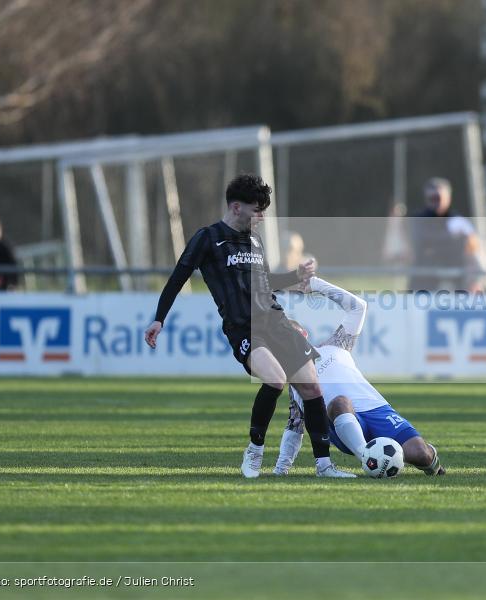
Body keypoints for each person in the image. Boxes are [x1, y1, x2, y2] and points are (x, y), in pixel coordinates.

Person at [143, 173, 354, 479]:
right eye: (257, 210)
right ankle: (255, 451)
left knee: (311, 386)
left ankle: (324, 466)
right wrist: (159, 318)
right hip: (244, 329)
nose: (262, 216)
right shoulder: (207, 237)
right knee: (275, 380)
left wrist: (296, 276)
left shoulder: (254, 241)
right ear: (237, 206)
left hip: (276, 321)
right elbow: (178, 278)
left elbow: (265, 285)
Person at [273, 276, 445, 476]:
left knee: (420, 454)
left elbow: (358, 307)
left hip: (377, 410)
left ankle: (432, 461)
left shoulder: (336, 345)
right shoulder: (296, 385)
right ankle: (368, 457)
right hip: (343, 425)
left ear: (303, 334)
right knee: (340, 402)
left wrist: (316, 285)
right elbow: (294, 428)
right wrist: (281, 469)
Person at [407, 177, 486, 293]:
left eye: (439, 198)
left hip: (457, 281)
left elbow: (475, 252)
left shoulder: (459, 222)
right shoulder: (418, 220)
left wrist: (475, 280)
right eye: (432, 198)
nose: (436, 202)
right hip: (424, 281)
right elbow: (418, 244)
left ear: (448, 198)